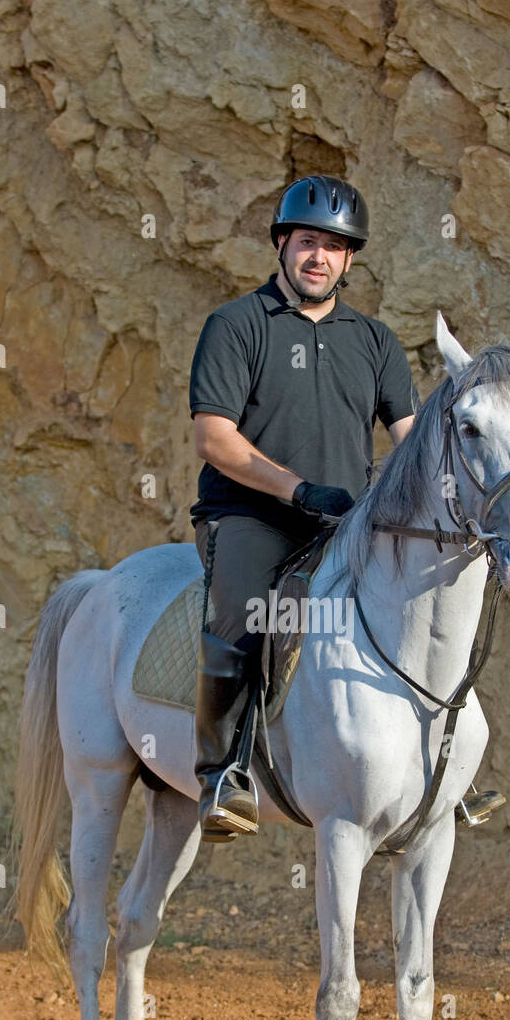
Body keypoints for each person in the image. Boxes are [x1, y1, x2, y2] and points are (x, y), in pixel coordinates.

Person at [188, 174, 419, 842]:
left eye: (334, 247)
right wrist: (297, 490)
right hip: (252, 517)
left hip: (347, 524)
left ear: (350, 259)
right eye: (307, 242)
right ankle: (221, 773)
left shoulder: (374, 341)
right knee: (243, 612)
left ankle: (437, 774)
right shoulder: (235, 325)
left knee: (427, 611)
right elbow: (214, 437)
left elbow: (409, 443)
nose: (319, 257)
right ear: (282, 244)